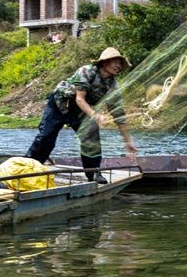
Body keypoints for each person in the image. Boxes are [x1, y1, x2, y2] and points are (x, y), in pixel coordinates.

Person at [26, 47, 138, 183]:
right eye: (115, 62)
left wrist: (128, 141)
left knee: (91, 136)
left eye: (120, 63)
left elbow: (119, 115)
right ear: (104, 62)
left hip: (80, 110)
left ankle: (93, 172)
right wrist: (95, 115)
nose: (118, 66)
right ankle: (28, 168)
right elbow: (79, 98)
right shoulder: (87, 71)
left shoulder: (112, 85)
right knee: (46, 137)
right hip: (60, 104)